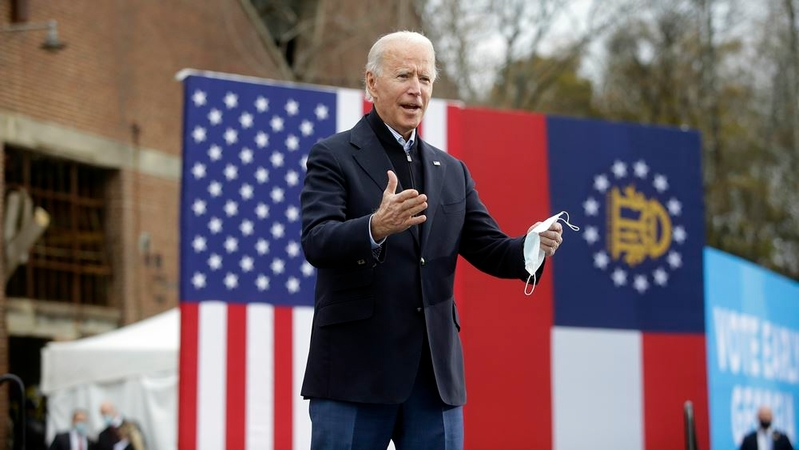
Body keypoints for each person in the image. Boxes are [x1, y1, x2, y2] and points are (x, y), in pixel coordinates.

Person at [299, 30, 564, 449]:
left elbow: (492, 249)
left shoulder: (451, 170)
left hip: (433, 379)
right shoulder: (333, 155)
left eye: (425, 79)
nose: (416, 90)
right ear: (371, 83)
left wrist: (533, 244)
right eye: (404, 75)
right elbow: (317, 240)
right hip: (354, 372)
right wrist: (375, 227)